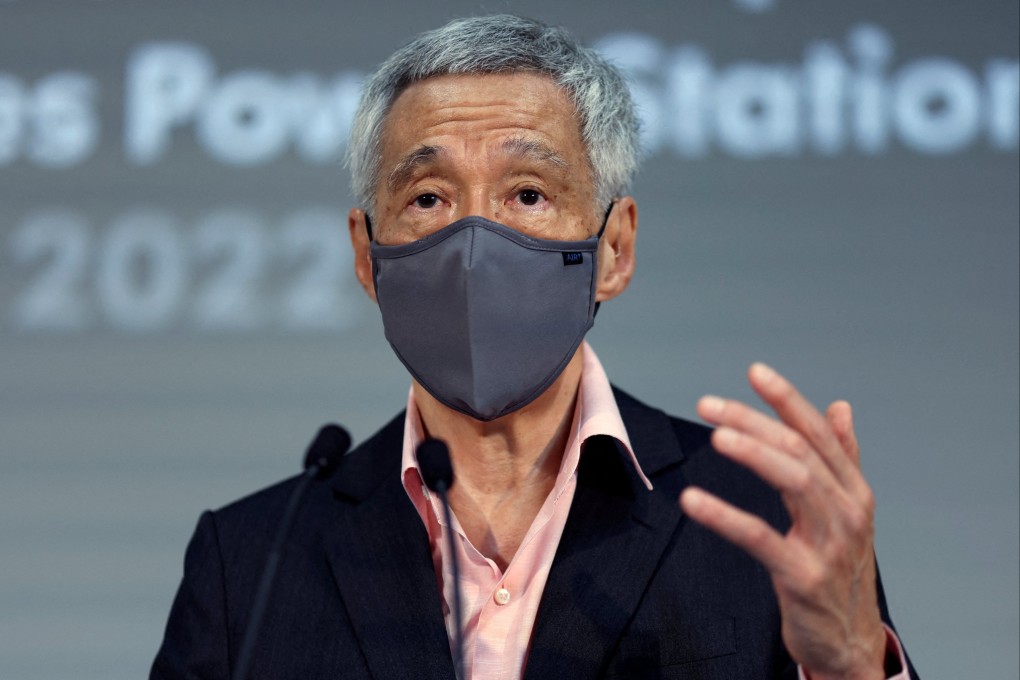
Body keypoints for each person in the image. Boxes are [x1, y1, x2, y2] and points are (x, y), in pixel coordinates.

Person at [152, 15, 919, 680]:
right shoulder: (252, 561)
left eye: (527, 194)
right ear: (367, 257)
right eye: (428, 199)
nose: (474, 242)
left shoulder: (760, 519)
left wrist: (850, 664)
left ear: (613, 249)